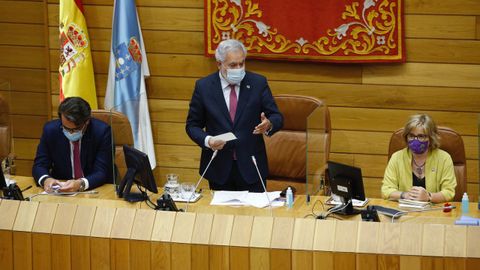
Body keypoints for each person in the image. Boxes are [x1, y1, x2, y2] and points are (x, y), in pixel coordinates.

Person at [186, 39, 283, 192]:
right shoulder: (204, 87)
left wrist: (269, 124)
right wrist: (208, 141)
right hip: (219, 167)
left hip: (252, 167)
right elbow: (192, 125)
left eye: (241, 63)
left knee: (255, 215)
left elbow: (277, 116)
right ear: (219, 64)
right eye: (232, 65)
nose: (238, 69)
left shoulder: (258, 83)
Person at [32, 97, 113, 192]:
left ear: (87, 121)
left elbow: (102, 171)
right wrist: (46, 179)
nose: (70, 133)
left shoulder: (102, 132)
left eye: (75, 129)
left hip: (96, 189)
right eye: (66, 128)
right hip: (62, 189)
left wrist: (81, 184)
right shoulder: (50, 130)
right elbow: (39, 165)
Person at [381, 114, 456, 203]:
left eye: (421, 136)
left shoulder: (444, 158)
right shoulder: (397, 157)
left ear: (431, 138)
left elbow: (449, 192)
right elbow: (385, 190)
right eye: (411, 136)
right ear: (406, 137)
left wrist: (429, 197)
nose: (415, 140)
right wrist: (404, 195)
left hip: (434, 212)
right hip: (404, 212)